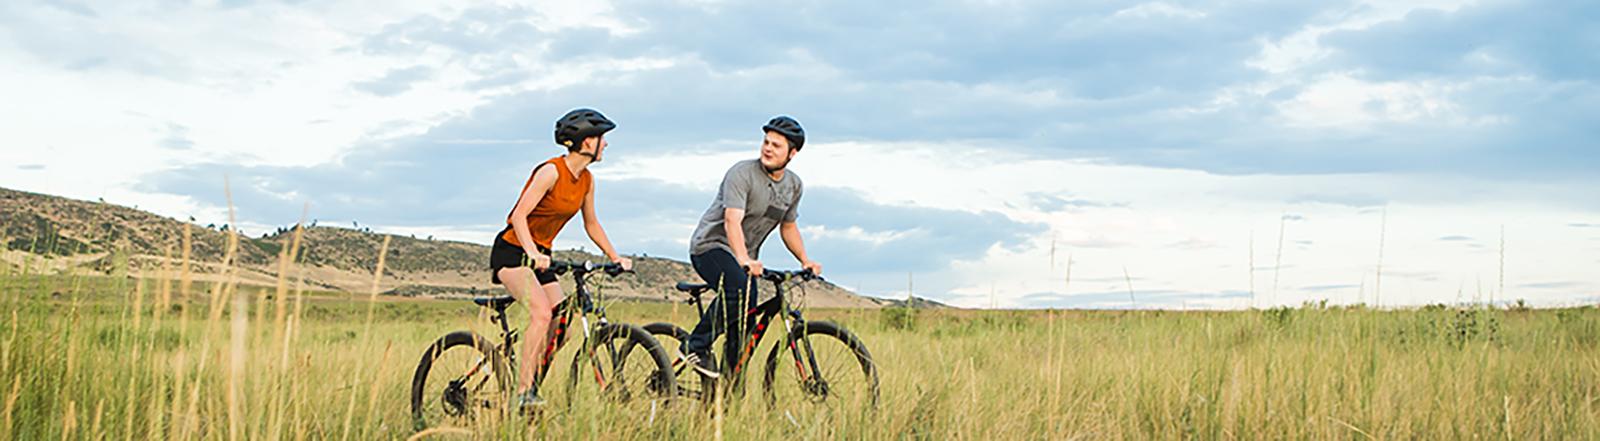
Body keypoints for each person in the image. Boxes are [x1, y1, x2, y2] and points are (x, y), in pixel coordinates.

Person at [488, 108, 633, 407]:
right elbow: (519, 216)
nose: (605, 144)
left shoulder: (587, 180)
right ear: (584, 141)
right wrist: (530, 251)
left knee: (565, 324)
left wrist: (615, 256)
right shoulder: (551, 171)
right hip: (513, 251)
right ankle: (522, 392)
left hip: (541, 255)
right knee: (541, 314)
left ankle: (530, 374)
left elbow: (591, 224)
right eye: (601, 138)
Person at [681, 116, 823, 378]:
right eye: (766, 142)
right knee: (737, 290)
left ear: (792, 153)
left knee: (744, 327)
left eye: (776, 146)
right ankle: (695, 345)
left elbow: (788, 227)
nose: (767, 148)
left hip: (746, 259)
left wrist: (805, 259)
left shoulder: (794, 185)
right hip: (711, 247)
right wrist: (744, 258)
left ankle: (728, 389)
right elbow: (731, 220)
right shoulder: (742, 173)